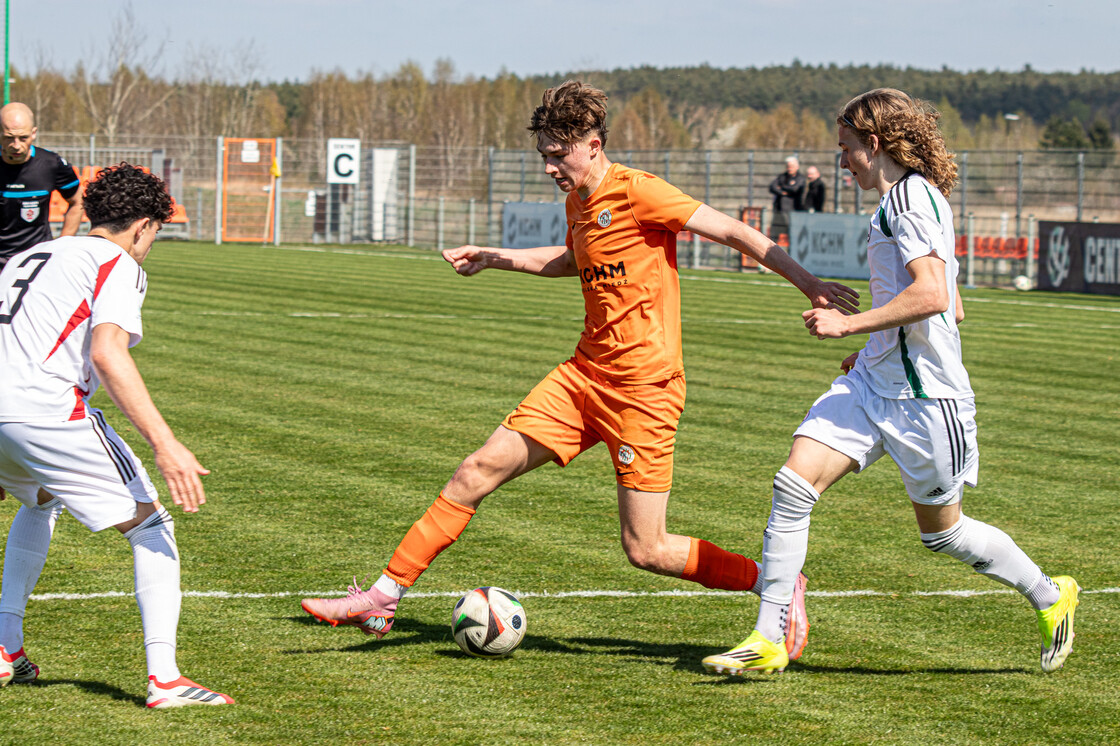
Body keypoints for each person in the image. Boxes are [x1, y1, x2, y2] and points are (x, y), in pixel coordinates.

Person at [301, 81, 860, 660]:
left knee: (646, 548)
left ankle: (775, 583)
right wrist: (497, 258)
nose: (549, 166)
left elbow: (735, 232)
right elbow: (572, 259)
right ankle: (384, 596)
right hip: (583, 377)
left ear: (592, 145)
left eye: (557, 154)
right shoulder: (578, 201)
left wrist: (812, 284)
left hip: (644, 393)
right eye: (543, 154)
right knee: (475, 471)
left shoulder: (641, 192)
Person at [701, 88, 1079, 676]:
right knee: (792, 486)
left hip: (927, 400)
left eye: (846, 148)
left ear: (874, 144)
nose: (841, 161)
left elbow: (933, 297)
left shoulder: (910, 200)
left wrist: (850, 323)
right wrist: (874, 347)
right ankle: (768, 637)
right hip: (875, 385)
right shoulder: (902, 202)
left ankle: (1051, 596)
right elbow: (954, 306)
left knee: (944, 536)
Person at [0, 163, 234, 708]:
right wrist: (166, 443)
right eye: (156, 234)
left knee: (39, 500)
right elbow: (108, 352)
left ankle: (7, 647)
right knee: (152, 524)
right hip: (44, 410)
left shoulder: (31, 255)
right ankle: (166, 680)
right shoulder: (118, 263)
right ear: (144, 227)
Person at [0, 103, 83, 268]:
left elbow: (78, 202)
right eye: (9, 137)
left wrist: (61, 246)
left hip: (35, 261)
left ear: (34, 133)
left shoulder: (52, 164)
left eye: (23, 138)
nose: (16, 145)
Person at [767, 156, 805, 241]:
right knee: (774, 235)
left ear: (797, 167)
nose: (789, 168)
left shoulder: (800, 178)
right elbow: (772, 187)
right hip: (778, 210)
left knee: (792, 234)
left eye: (791, 166)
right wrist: (782, 192)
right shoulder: (782, 176)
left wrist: (781, 187)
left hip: (792, 212)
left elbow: (794, 189)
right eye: (788, 166)